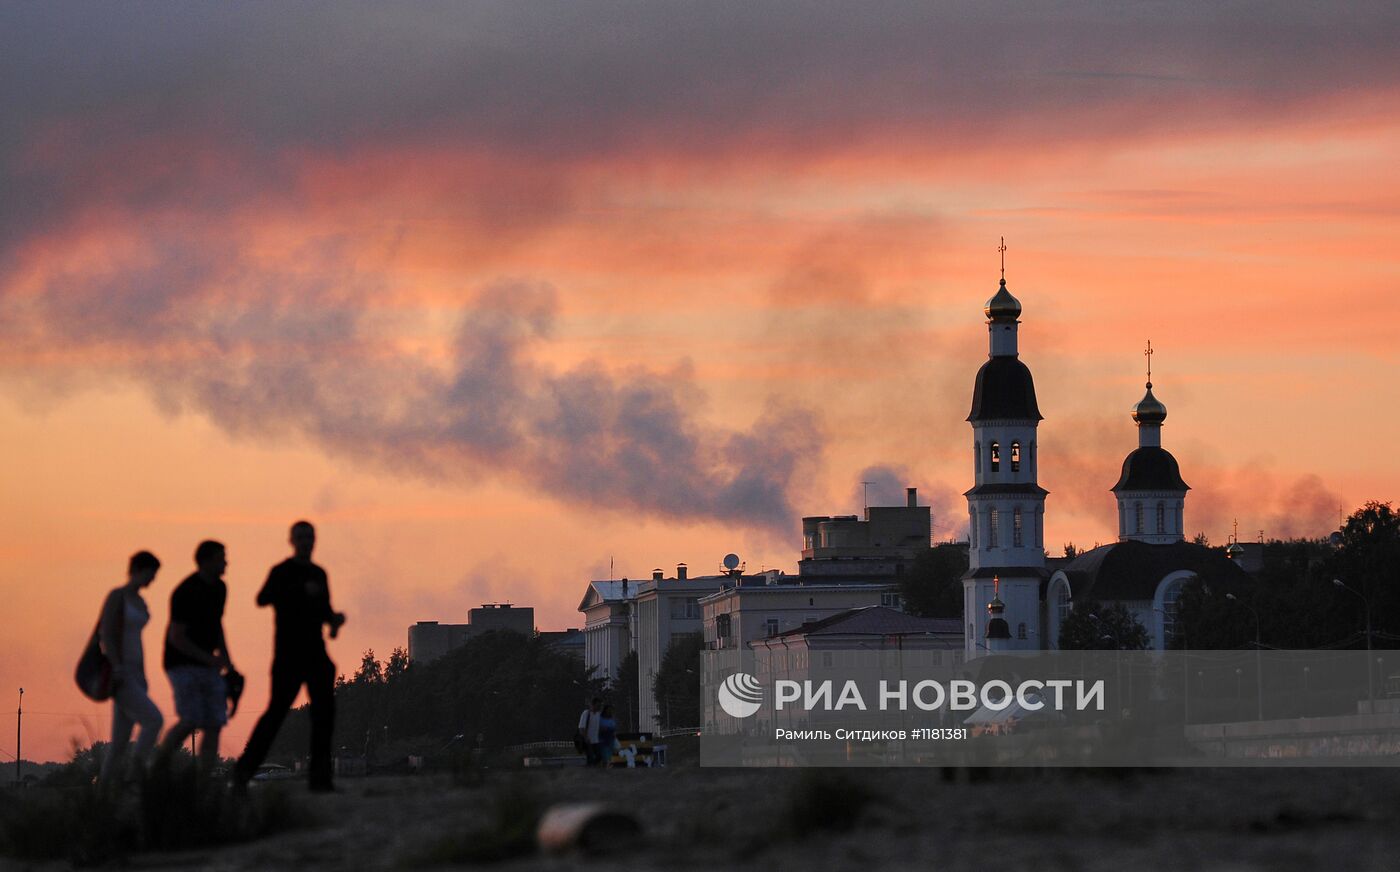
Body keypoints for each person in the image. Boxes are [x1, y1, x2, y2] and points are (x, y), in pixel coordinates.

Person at [233, 520, 346, 792]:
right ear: (292, 541)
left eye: (310, 536)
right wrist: (297, 592)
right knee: (276, 714)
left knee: (324, 715)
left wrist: (333, 620)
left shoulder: (319, 574)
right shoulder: (282, 572)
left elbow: (324, 610)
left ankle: (320, 781)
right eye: (302, 537)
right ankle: (243, 773)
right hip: (289, 655)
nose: (307, 541)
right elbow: (262, 598)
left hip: (316, 653)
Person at [157, 540, 236, 773]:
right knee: (190, 719)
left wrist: (228, 662)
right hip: (180, 663)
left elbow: (217, 625)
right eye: (221, 558)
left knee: (214, 722)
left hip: (207, 664)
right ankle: (157, 768)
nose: (226, 562)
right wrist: (211, 660)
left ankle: (204, 782)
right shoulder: (185, 591)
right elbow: (177, 637)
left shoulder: (220, 588)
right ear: (207, 561)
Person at [97, 551, 165, 787]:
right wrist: (117, 668)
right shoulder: (117, 596)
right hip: (122, 674)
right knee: (154, 720)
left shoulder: (140, 601)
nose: (152, 579)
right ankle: (135, 776)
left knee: (119, 743)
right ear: (138, 569)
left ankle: (102, 796)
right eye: (151, 573)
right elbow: (105, 634)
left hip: (137, 674)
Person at [577, 697, 602, 765]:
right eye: (597, 705)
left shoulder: (598, 714)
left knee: (599, 756)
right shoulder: (586, 713)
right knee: (590, 758)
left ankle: (591, 769)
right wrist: (586, 738)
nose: (599, 707)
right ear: (593, 705)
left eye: (600, 705)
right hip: (588, 741)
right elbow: (581, 728)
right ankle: (590, 771)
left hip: (596, 741)